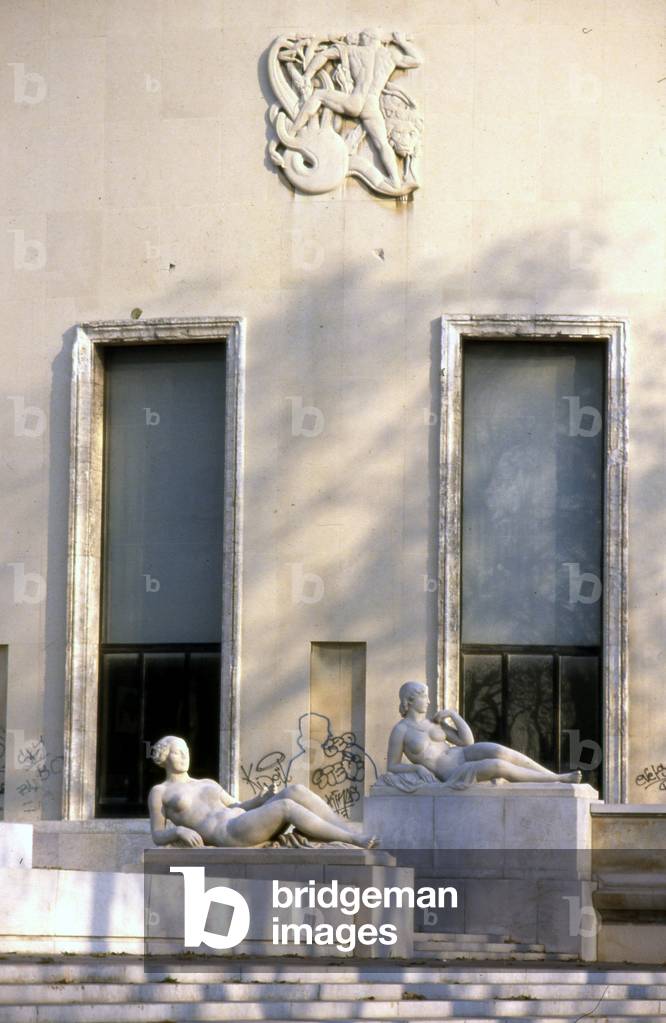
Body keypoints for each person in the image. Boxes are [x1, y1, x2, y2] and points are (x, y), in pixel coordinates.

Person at [148, 735, 378, 848]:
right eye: (178, 752)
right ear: (163, 756)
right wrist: (178, 831)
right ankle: (353, 839)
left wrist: (261, 799)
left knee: (295, 790)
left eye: (186, 750)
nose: (185, 755)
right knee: (285, 807)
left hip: (244, 820)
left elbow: (237, 806)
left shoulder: (206, 782)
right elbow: (157, 835)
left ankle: (345, 828)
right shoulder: (160, 792)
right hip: (230, 834)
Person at [289, 29, 423, 188]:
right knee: (382, 144)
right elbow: (416, 60)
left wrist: (307, 75)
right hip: (371, 106)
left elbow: (323, 55)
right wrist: (402, 42)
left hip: (354, 101)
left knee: (318, 95)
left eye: (360, 38)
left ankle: (291, 132)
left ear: (365, 39)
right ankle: (394, 179)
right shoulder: (390, 56)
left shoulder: (353, 50)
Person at [385, 682, 582, 788]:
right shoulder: (401, 730)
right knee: (498, 766)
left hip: (463, 755)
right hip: (453, 772)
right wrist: (417, 769)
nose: (428, 702)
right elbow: (392, 766)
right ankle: (558, 779)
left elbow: (467, 741)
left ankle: (552, 775)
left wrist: (454, 715)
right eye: (424, 697)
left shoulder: (433, 723)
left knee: (499, 751)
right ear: (410, 700)